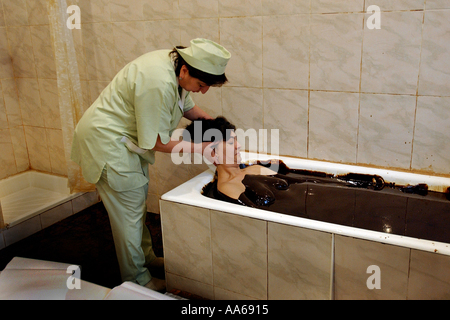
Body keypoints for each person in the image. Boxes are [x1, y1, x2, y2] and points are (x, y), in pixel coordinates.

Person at [71, 38, 231, 291]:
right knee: (129, 215)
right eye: (201, 85)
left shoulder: (176, 67)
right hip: (107, 143)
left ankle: (146, 259)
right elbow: (155, 141)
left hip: (126, 143)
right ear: (186, 71)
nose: (203, 91)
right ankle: (136, 280)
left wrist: (220, 129)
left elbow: (186, 106)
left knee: (137, 207)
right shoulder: (156, 81)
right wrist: (203, 149)